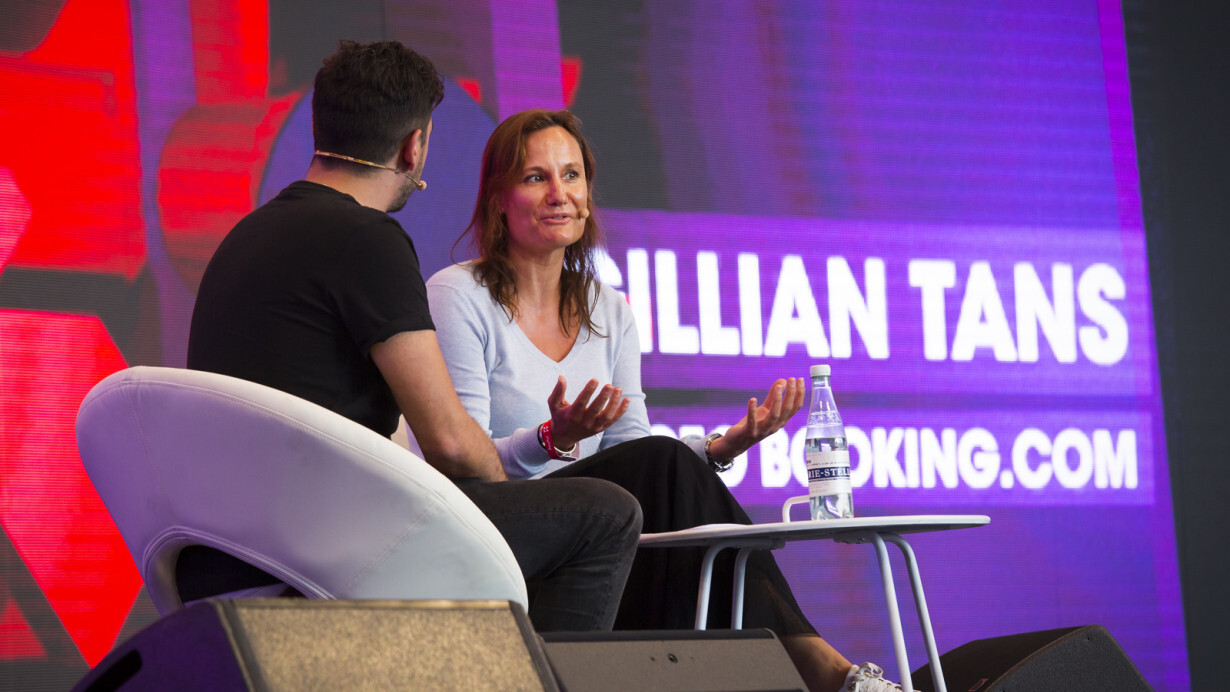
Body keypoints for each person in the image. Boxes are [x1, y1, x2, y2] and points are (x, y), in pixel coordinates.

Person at [424, 109, 902, 692]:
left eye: (572, 176)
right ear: (499, 197)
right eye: (535, 178)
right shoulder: (459, 295)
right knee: (663, 477)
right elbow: (461, 459)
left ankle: (805, 670)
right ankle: (825, 669)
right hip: (504, 522)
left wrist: (726, 445)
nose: (559, 194)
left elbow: (635, 450)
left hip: (602, 522)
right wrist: (552, 439)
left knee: (674, 499)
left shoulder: (610, 310)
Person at [185, 42, 642, 634]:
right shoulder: (367, 239)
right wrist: (518, 481)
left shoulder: (244, 236)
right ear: (414, 146)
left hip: (225, 548)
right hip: (332, 543)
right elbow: (451, 444)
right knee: (608, 513)